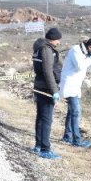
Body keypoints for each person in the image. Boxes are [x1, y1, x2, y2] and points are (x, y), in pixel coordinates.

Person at [59, 38, 91, 147]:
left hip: (75, 87)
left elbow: (87, 69)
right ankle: (77, 141)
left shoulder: (86, 54)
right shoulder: (75, 50)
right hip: (69, 85)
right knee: (76, 112)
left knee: (71, 112)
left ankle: (67, 137)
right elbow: (80, 66)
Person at [32, 27, 63, 159]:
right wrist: (54, 90)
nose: (59, 43)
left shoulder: (40, 47)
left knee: (41, 117)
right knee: (46, 119)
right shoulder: (46, 49)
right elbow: (48, 71)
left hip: (40, 86)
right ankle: (45, 148)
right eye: (58, 40)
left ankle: (38, 145)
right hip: (46, 88)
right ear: (53, 39)